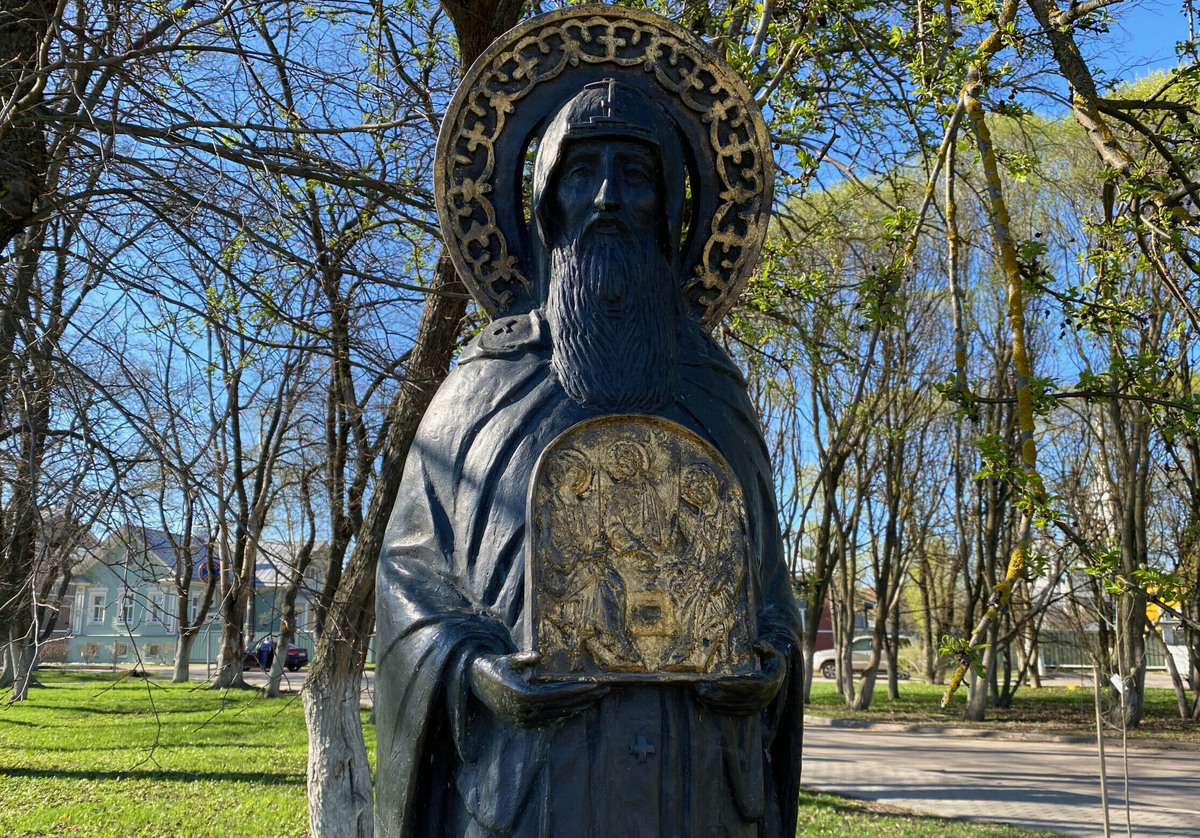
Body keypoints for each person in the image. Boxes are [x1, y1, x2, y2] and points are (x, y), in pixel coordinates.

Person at [375, 79, 802, 837]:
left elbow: (768, 588)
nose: (607, 197)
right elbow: (410, 574)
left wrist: (770, 658)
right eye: (581, 172)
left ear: (670, 208)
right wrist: (474, 674)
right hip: (531, 787)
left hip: (699, 784)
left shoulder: (713, 389)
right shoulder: (483, 387)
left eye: (634, 174)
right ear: (546, 204)